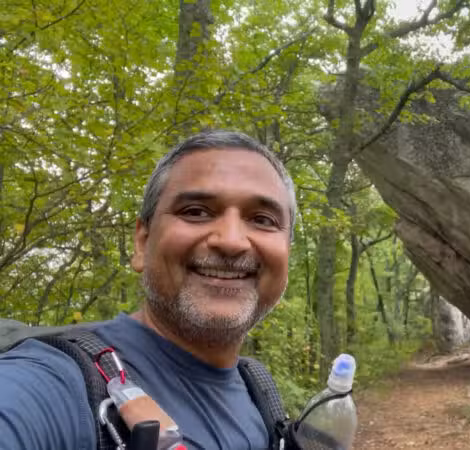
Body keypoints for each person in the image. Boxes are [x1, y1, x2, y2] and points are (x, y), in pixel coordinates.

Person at [0, 130, 296, 449]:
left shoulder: (257, 390)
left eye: (263, 219)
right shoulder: (55, 383)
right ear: (142, 243)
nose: (231, 241)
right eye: (195, 212)